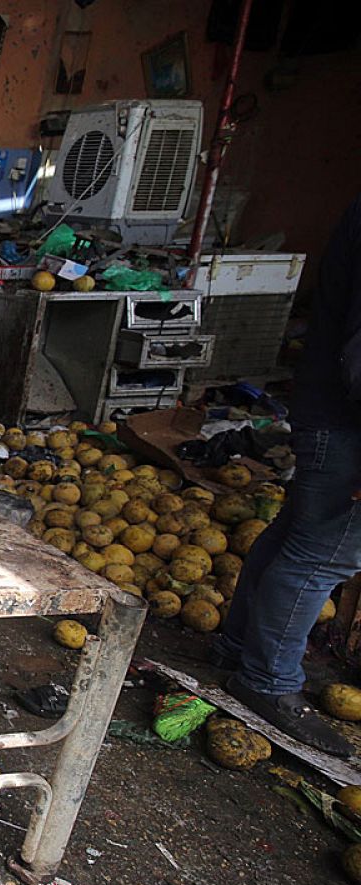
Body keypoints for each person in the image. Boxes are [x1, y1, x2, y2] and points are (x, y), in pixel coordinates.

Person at [212, 194, 361, 757]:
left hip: (329, 410)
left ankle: (237, 645)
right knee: (323, 554)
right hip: (347, 422)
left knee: (297, 535)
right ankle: (268, 681)